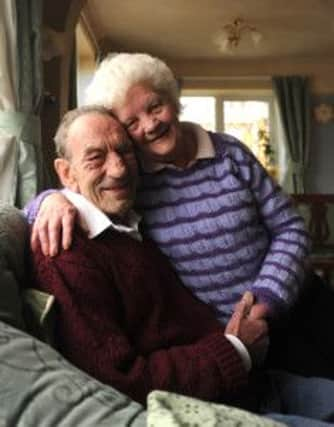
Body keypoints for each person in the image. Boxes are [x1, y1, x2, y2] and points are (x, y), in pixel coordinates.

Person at [26, 53, 333, 377]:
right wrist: (50, 200)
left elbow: (291, 228)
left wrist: (266, 300)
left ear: (172, 97)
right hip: (239, 336)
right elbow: (83, 188)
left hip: (300, 302)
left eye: (155, 106)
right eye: (132, 122)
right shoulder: (132, 178)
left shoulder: (230, 153)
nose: (150, 123)